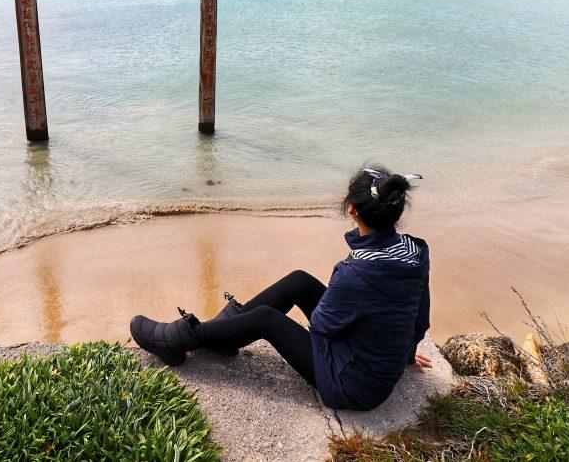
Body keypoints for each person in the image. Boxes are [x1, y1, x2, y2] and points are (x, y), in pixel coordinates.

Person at [129, 166, 431, 411]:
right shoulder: (414, 251)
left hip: (350, 385)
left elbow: (324, 327)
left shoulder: (358, 270)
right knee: (299, 280)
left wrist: (346, 298)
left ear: (352, 210)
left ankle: (180, 340)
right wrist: (403, 353)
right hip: (368, 365)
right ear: (395, 212)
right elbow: (420, 318)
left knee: (266, 318)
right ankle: (224, 336)